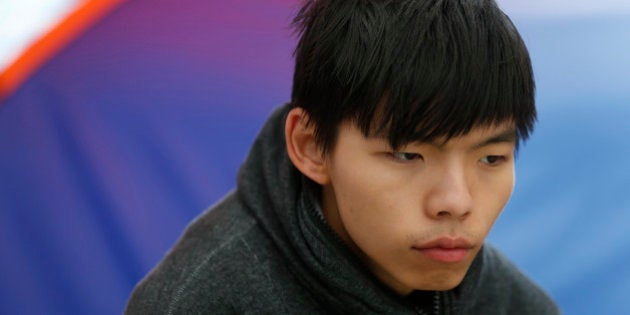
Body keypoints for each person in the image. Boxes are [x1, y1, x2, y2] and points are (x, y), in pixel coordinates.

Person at [126, 0, 559, 313]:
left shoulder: (516, 305)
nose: (457, 202)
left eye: (491, 159)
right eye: (408, 155)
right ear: (312, 147)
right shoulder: (197, 302)